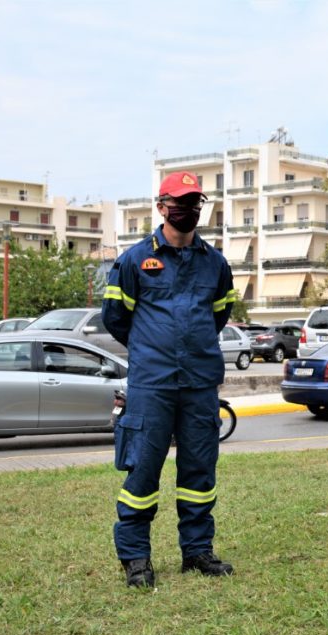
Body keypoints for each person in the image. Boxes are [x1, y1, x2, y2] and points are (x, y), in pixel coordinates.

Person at [103, 170, 238, 587]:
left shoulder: (215, 263)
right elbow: (115, 319)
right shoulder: (132, 260)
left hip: (199, 384)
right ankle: (136, 558)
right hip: (152, 385)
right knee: (142, 473)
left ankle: (197, 551)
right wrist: (152, 349)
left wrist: (190, 347)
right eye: (179, 202)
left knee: (199, 474)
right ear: (161, 206)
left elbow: (219, 316)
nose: (188, 209)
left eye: (195, 202)